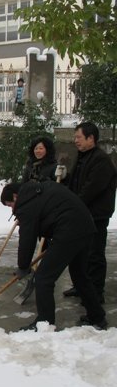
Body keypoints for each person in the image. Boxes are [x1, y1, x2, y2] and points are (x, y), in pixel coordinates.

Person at [0, 181, 107, 330]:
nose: (12, 209)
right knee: (80, 275)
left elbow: (27, 239)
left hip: (69, 231)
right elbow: (51, 214)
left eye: (10, 204)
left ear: (15, 196)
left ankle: (44, 323)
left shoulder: (25, 204)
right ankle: (97, 317)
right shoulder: (38, 191)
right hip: (85, 227)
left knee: (43, 278)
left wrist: (23, 266)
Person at [62, 122, 117, 303]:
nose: (75, 140)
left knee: (94, 254)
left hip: (96, 215)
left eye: (79, 137)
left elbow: (91, 189)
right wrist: (65, 178)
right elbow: (77, 183)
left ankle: (96, 293)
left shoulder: (101, 160)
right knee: (81, 253)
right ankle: (82, 287)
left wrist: (73, 205)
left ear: (91, 138)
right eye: (75, 137)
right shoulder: (82, 157)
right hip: (82, 214)